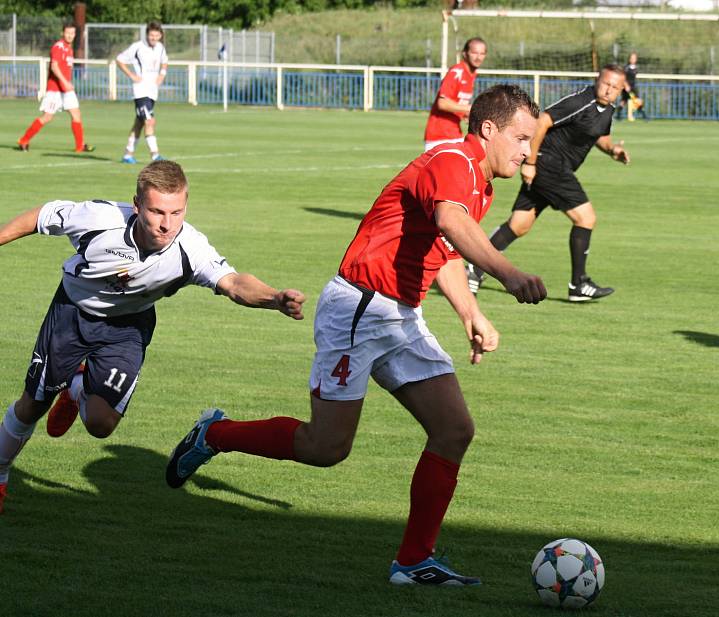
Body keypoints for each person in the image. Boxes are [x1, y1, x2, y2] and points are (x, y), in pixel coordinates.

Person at [166, 84, 547, 586]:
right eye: (521, 138)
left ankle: (413, 562)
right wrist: (508, 272)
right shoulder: (453, 159)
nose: (526, 152)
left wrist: (471, 313)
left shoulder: (481, 183)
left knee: (454, 430)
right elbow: (449, 221)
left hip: (401, 314)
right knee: (326, 447)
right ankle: (214, 433)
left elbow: (445, 252)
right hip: (359, 308)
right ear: (488, 129)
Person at [0, 160, 306, 515]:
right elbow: (43, 216)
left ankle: (77, 387)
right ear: (136, 205)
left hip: (128, 328)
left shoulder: (190, 247)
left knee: (101, 425)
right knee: (33, 405)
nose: (166, 224)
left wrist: (274, 298)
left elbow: (234, 283)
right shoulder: (99, 219)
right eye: (157, 211)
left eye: (176, 212)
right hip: (73, 314)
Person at [466, 65, 630, 302]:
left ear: (621, 89)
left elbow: (600, 136)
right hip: (548, 164)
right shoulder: (580, 101)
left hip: (551, 168)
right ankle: (579, 283)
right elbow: (543, 121)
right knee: (586, 218)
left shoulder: (607, 110)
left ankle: (474, 269)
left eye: (615, 87)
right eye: (605, 83)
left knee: (519, 224)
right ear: (597, 80)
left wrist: (613, 150)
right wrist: (530, 162)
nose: (608, 89)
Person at [16, 21, 94, 153]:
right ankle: (23, 140)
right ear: (62, 33)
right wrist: (65, 81)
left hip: (66, 89)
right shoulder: (58, 47)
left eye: (72, 33)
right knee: (47, 117)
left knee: (76, 114)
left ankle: (80, 146)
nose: (70, 35)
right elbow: (54, 66)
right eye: (67, 33)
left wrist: (67, 83)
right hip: (55, 89)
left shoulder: (69, 49)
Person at [116, 21, 169, 164]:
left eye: (157, 35)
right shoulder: (137, 47)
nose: (154, 38)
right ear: (147, 34)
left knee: (139, 123)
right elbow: (120, 60)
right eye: (151, 35)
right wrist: (131, 75)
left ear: (160, 35)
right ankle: (155, 155)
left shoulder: (160, 48)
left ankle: (128, 154)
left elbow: (165, 62)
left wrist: (162, 75)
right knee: (150, 121)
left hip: (152, 92)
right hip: (141, 91)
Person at [423, 37, 487, 152]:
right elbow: (442, 103)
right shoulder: (457, 72)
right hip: (440, 136)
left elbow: (456, 104)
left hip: (453, 134)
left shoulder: (471, 75)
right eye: (474, 52)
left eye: (482, 53)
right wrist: (469, 108)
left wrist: (466, 114)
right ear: (465, 54)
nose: (478, 57)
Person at [618, 52, 648, 121]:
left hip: (633, 87)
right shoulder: (626, 68)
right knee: (624, 101)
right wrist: (626, 85)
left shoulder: (636, 68)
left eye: (634, 58)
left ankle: (644, 115)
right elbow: (623, 77)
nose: (633, 59)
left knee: (637, 100)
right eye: (631, 58)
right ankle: (618, 115)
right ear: (629, 59)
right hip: (627, 87)